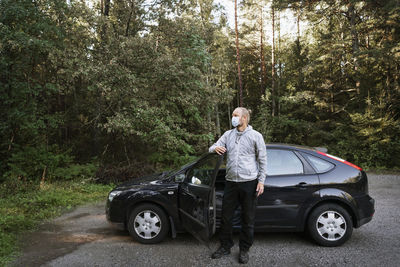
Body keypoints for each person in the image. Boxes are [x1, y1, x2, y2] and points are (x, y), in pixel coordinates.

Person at [209, 107, 267, 264]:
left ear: (244, 118)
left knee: (247, 218)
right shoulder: (228, 135)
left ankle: (244, 249)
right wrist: (216, 148)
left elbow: (262, 160)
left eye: (236, 115)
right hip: (231, 183)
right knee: (226, 218)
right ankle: (225, 246)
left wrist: (261, 181)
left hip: (249, 183)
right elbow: (211, 147)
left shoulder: (256, 136)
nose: (233, 118)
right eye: (233, 115)